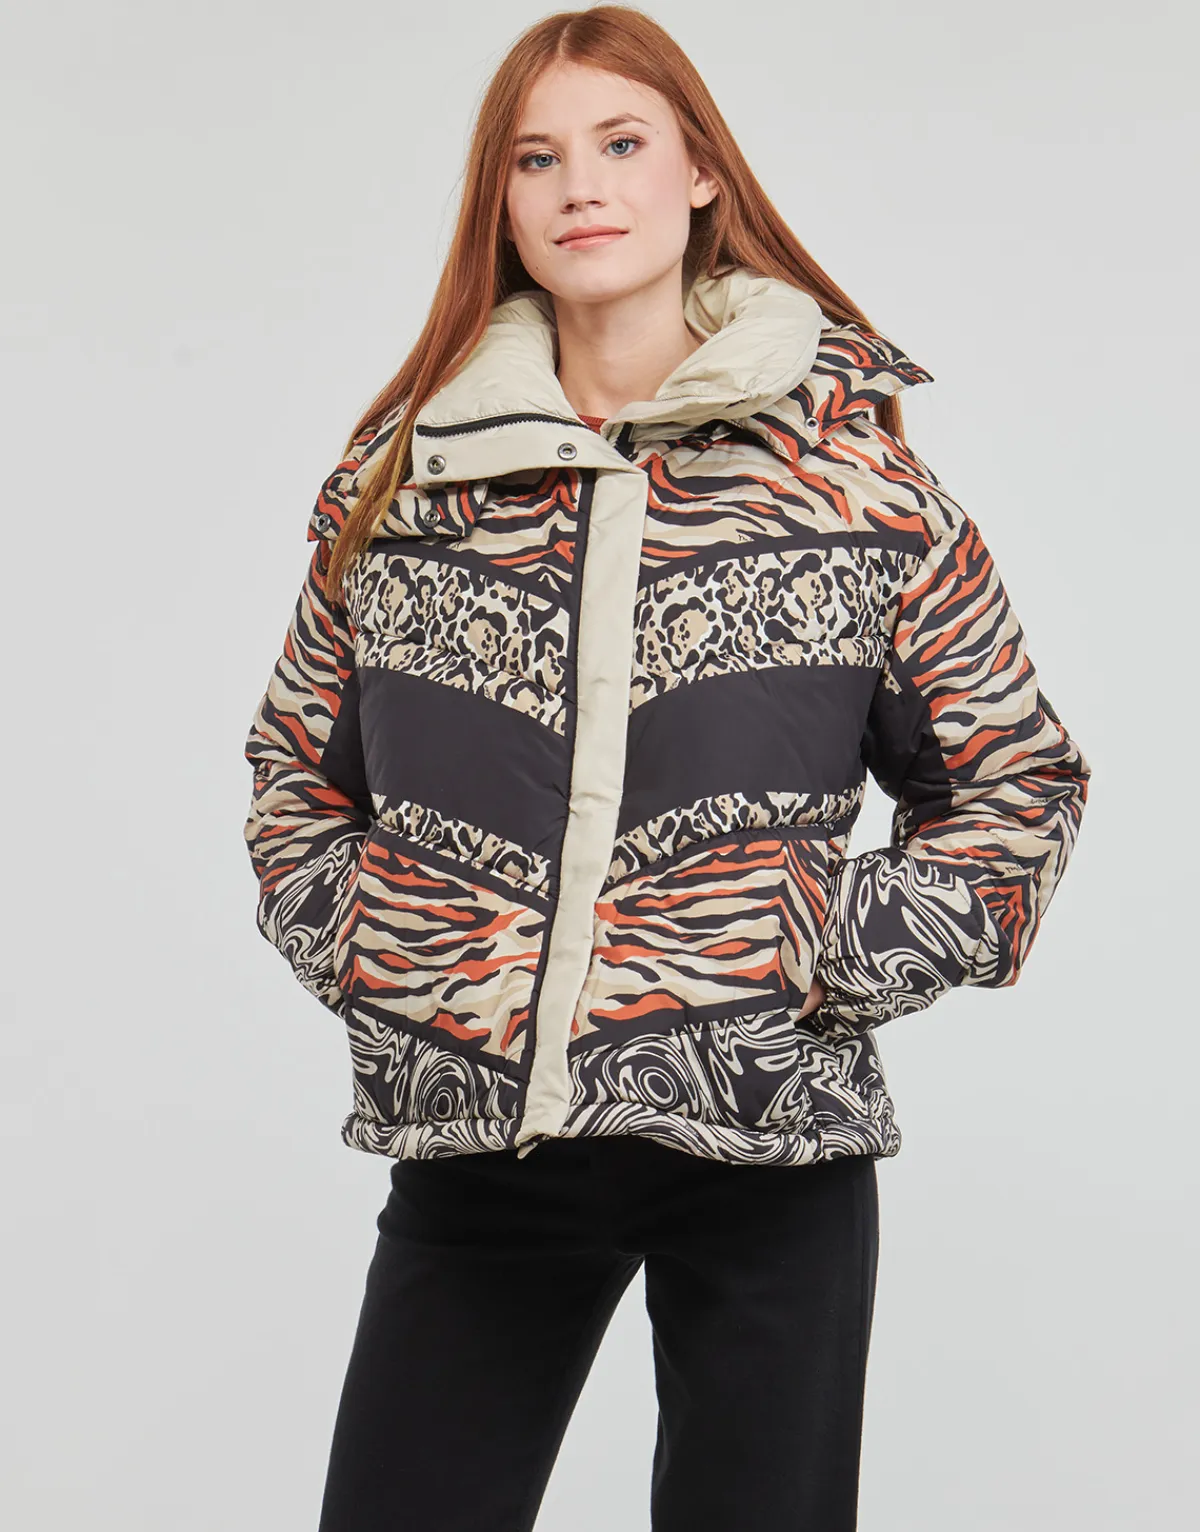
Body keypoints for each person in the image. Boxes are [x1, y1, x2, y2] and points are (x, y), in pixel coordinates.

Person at [240, 7, 1091, 1529]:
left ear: (700, 173)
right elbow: (298, 768)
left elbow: (1014, 780)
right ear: (502, 204)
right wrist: (379, 942)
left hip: (767, 1134)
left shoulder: (857, 483)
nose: (582, 186)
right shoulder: (409, 484)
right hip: (481, 1134)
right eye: (537, 158)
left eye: (621, 143)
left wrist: (820, 949)